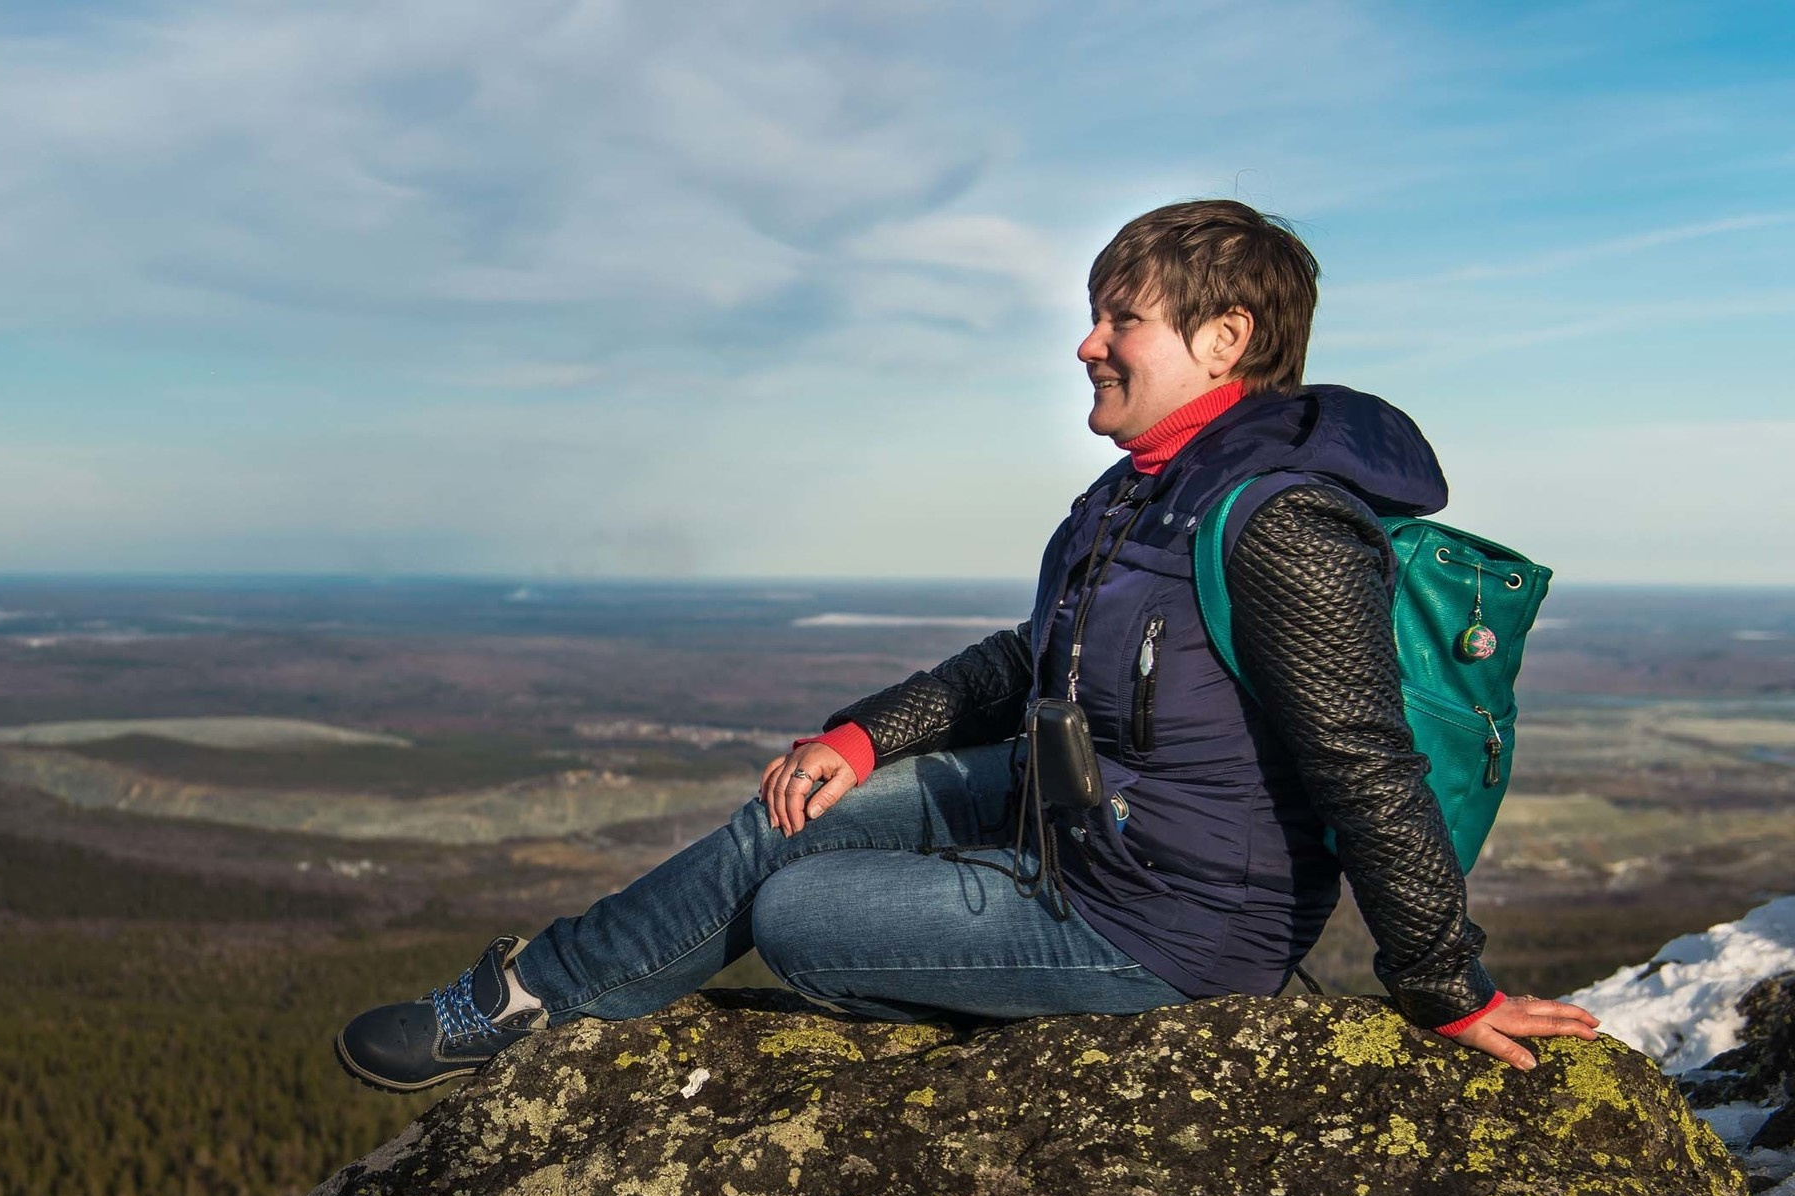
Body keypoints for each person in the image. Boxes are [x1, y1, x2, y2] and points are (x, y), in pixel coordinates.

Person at [337, 199, 1599, 1092]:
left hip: (1171, 925)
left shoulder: (1281, 523)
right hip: (1088, 816)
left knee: (798, 910)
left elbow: (1361, 760)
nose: (1086, 343)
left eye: (1121, 320)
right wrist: (858, 734)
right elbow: (1025, 664)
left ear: (1221, 343)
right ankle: (529, 998)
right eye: (1093, 315)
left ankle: (585, 996)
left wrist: (1445, 984)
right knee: (785, 813)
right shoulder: (1135, 496)